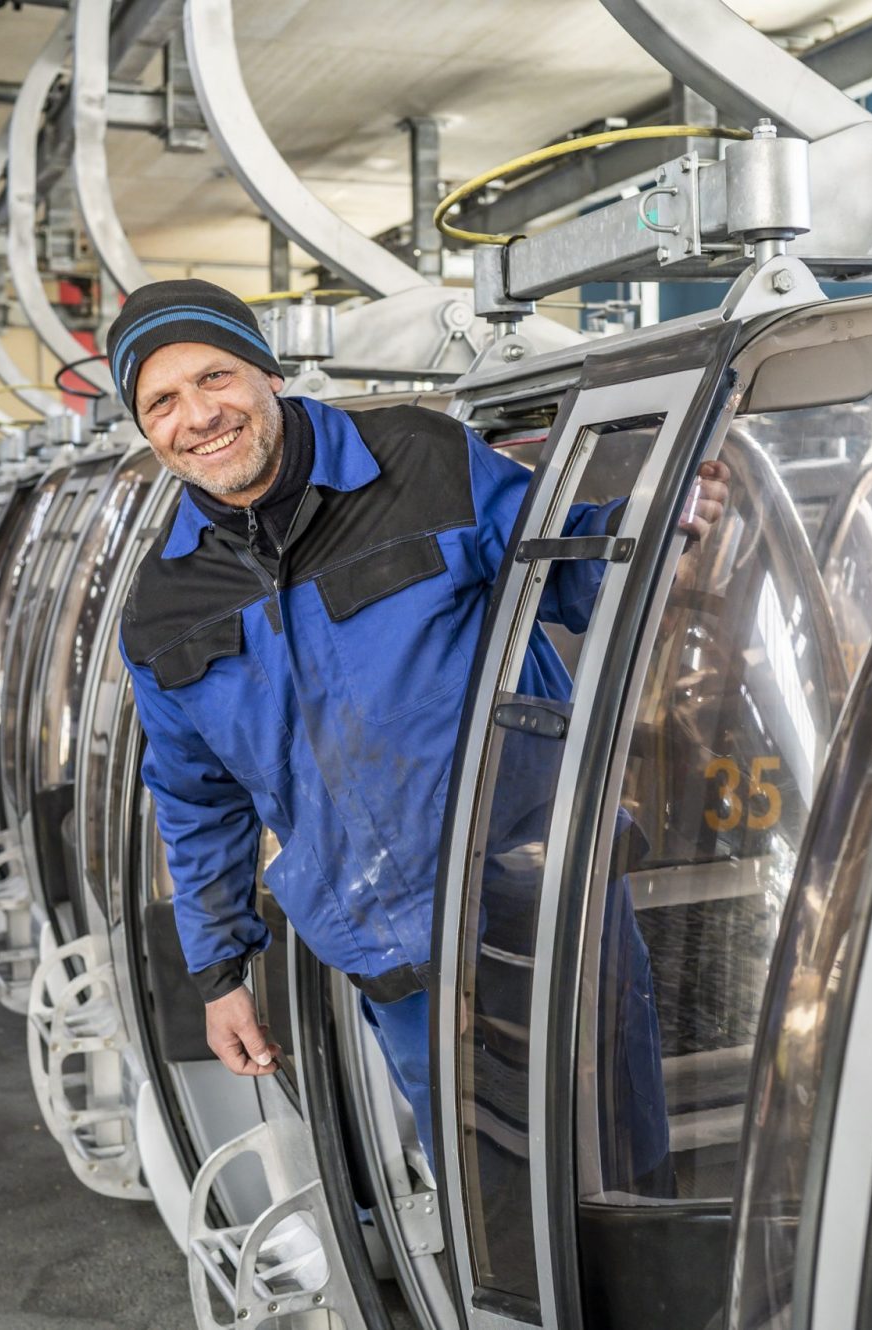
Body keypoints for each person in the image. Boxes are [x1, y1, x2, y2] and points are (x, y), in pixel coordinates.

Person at [114, 279, 723, 1166]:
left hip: (542, 885)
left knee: (615, 1150)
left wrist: (653, 526)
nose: (198, 415)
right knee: (484, 1185)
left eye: (214, 376)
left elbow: (557, 561)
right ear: (147, 432)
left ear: (267, 375)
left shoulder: (420, 457)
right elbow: (196, 802)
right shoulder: (165, 607)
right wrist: (219, 977)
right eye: (161, 402)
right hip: (386, 931)